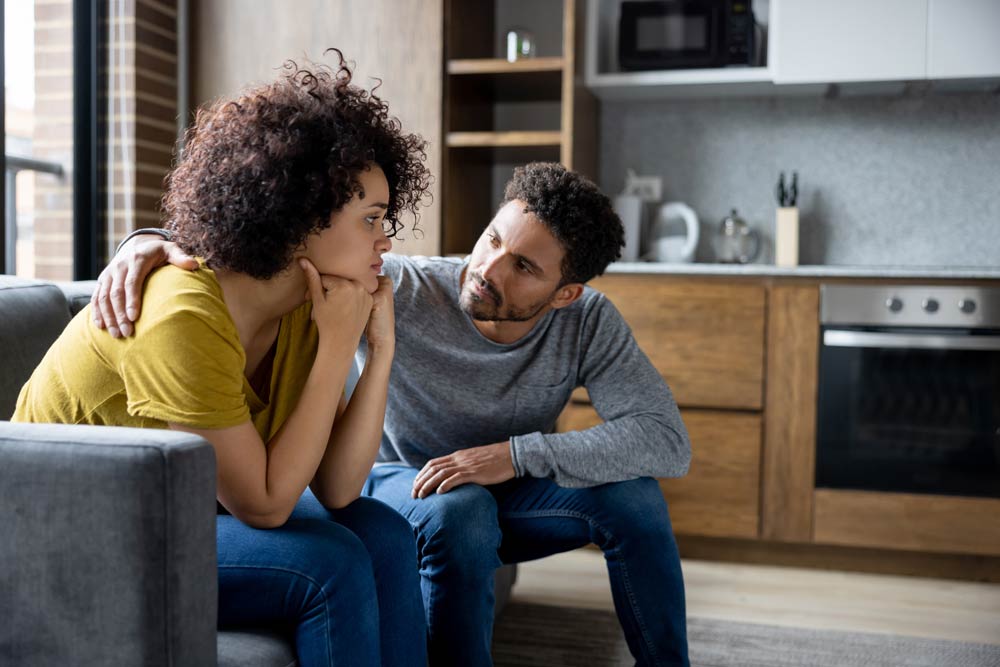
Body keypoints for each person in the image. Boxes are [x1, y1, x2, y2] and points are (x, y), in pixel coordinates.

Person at [98, 162, 693, 667]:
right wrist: (145, 241)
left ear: (566, 294)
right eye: (492, 240)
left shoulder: (589, 323)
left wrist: (512, 456)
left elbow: (666, 441)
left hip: (510, 487)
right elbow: (262, 243)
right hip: (404, 484)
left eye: (525, 268)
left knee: (635, 499)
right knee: (461, 510)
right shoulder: (403, 288)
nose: (489, 269)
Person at [14, 54, 432, 667]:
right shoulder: (182, 312)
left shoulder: (303, 308)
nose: (386, 240)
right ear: (297, 218)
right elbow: (265, 504)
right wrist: (338, 347)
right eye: (370, 219)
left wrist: (380, 351)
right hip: (70, 535)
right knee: (329, 564)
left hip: (174, 512)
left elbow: (340, 488)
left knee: (388, 535)